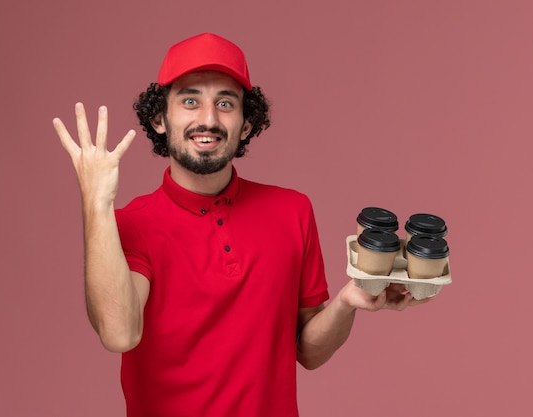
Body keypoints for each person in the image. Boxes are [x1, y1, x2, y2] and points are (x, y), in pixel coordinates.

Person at [53, 33, 429, 417]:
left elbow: (309, 351)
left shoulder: (292, 210)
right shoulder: (132, 224)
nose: (209, 119)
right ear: (159, 119)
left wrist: (349, 301)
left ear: (246, 124)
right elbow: (119, 333)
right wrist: (96, 203)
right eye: (189, 100)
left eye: (225, 103)